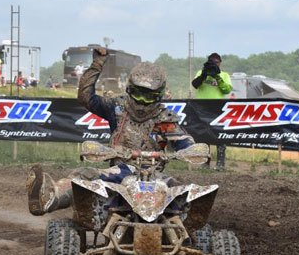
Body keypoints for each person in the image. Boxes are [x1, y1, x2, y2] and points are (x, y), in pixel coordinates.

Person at [26, 48, 195, 216]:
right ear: (129, 89)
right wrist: (97, 64)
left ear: (159, 95)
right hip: (122, 172)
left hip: (156, 177)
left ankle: (189, 235)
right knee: (84, 176)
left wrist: (192, 151)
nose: (142, 102)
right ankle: (51, 197)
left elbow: (185, 143)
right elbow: (86, 97)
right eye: (138, 94)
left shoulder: (165, 119)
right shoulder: (117, 108)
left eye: (149, 97)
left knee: (184, 192)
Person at [191, 52, 232, 170]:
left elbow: (227, 90)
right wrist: (204, 74)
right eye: (212, 63)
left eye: (217, 63)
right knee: (203, 135)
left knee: (219, 134)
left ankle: (220, 163)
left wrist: (217, 77)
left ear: (220, 63)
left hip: (217, 108)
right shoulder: (201, 72)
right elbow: (195, 85)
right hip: (202, 108)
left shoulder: (224, 75)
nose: (214, 65)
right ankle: (205, 162)